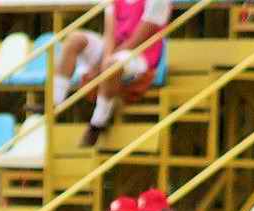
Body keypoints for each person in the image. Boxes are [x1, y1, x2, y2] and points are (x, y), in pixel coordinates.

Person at [52, 0, 171, 146]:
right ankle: (54, 104)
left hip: (142, 54)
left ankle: (97, 123)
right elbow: (109, 35)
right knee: (74, 39)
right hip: (116, 50)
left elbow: (138, 39)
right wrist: (105, 59)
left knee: (112, 64)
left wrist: (104, 64)